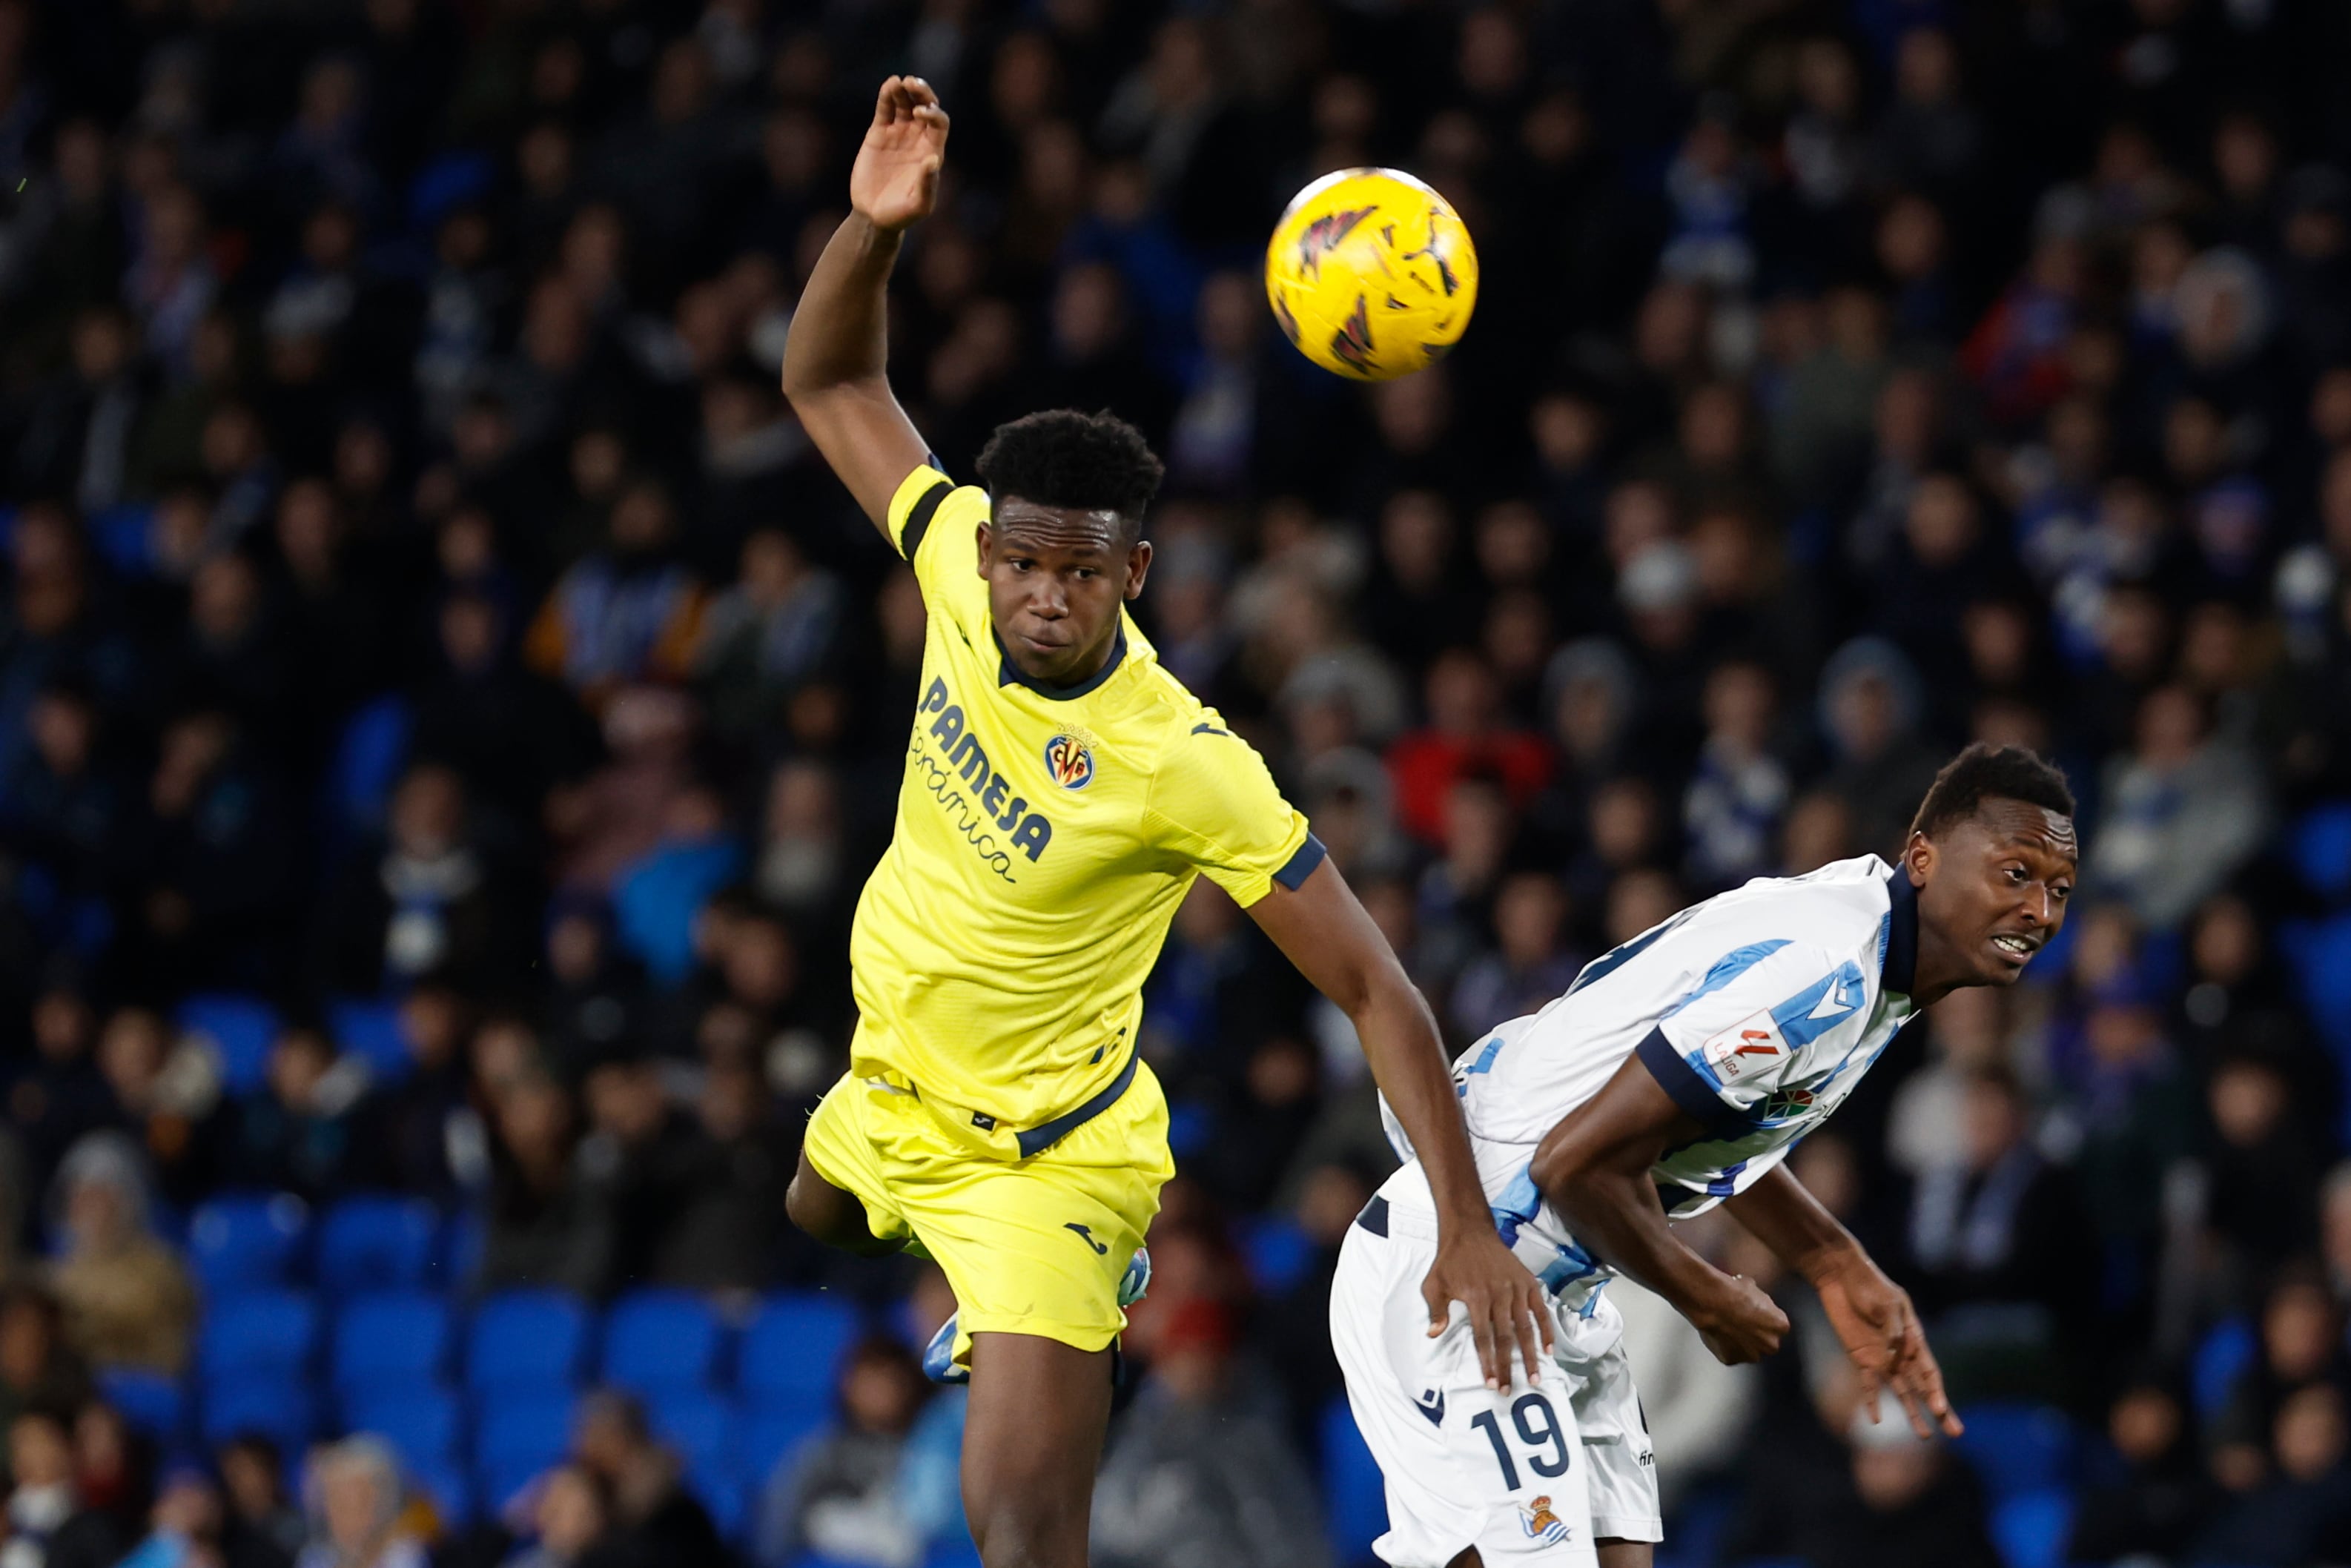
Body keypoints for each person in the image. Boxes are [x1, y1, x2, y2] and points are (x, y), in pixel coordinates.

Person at [777, 75, 1544, 1568]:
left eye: (1080, 571)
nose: (1041, 596)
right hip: (891, 1076)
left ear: (1133, 573)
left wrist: (1463, 1216)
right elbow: (830, 388)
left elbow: (1374, 984)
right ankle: (977, 1304)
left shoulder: (1181, 759)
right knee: (807, 1208)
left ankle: (1044, 1318)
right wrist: (868, 235)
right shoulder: (950, 561)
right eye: (1022, 564)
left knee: (1020, 1534)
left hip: (1041, 1153)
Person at [1332, 742, 2080, 1567]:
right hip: (1466, 1267)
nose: (2039, 912)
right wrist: (1708, 1297)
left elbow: (1695, 1117)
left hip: (1560, 1290)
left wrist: (1832, 1261)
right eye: (2016, 875)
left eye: (2058, 890)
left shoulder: (1869, 934)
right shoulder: (1827, 972)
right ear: (1925, 859)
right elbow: (1574, 1163)